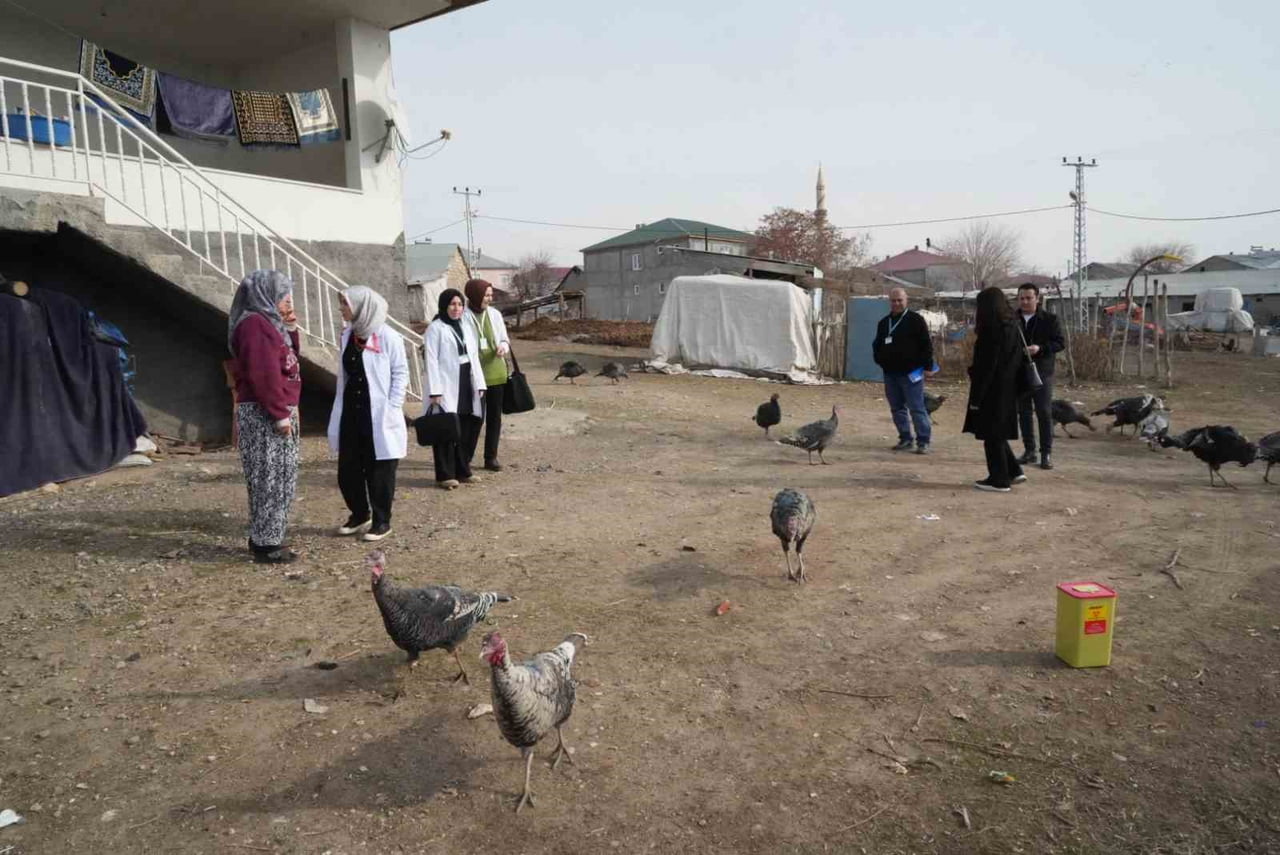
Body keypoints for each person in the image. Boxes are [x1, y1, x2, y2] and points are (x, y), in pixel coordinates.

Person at [228, 269, 300, 563]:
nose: (288, 303)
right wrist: (280, 415)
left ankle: (269, 536)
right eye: (284, 297)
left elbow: (289, 360)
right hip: (265, 413)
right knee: (269, 479)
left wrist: (292, 329)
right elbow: (264, 374)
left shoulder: (269, 322)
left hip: (275, 410)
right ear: (266, 296)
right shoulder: (255, 324)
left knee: (279, 477)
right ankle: (266, 544)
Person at [327, 286, 408, 542]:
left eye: (345, 304)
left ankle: (382, 520)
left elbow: (400, 373)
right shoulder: (348, 335)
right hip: (352, 410)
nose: (341, 308)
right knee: (348, 468)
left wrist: (393, 407)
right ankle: (360, 514)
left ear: (362, 307)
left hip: (380, 413)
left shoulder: (388, 336)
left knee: (380, 468)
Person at [963, 286, 1029, 492]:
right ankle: (1013, 470)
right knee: (997, 433)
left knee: (992, 435)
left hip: (992, 390)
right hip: (1009, 387)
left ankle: (999, 479)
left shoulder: (991, 331)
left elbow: (987, 366)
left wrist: (977, 397)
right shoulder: (1012, 325)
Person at [423, 288, 486, 489]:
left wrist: (480, 383)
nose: (456, 308)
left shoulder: (466, 325)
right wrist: (435, 390)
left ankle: (462, 470)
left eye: (459, 304)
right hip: (446, 383)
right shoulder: (435, 328)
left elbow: (474, 356)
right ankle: (444, 475)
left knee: (466, 427)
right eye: (452, 304)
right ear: (444, 305)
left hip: (467, 380)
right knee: (446, 429)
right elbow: (431, 360)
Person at [872, 287, 935, 454]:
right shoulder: (884, 323)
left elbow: (926, 345)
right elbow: (877, 345)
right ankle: (905, 438)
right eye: (893, 300)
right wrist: (880, 360)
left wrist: (928, 366)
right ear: (889, 302)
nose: (896, 303)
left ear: (906, 300)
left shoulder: (916, 320)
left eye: (900, 300)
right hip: (891, 374)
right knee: (897, 408)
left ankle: (923, 441)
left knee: (916, 407)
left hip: (911, 373)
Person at [1014, 282, 1065, 470]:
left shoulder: (1049, 319)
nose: (1025, 301)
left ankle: (1046, 454)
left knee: (1044, 412)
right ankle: (1029, 451)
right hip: (1019, 372)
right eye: (1021, 298)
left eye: (1029, 298)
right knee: (1024, 412)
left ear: (1037, 298)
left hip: (1042, 372)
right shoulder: (1012, 319)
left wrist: (1040, 348)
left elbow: (1060, 343)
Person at [463, 278, 511, 471]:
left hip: (496, 373)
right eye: (486, 295)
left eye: (491, 295)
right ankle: (465, 457)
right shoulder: (463, 316)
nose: (489, 299)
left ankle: (490, 457)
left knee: (494, 418)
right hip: (475, 376)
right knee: (475, 418)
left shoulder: (495, 314)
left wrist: (503, 346)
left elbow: (504, 338)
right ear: (475, 295)